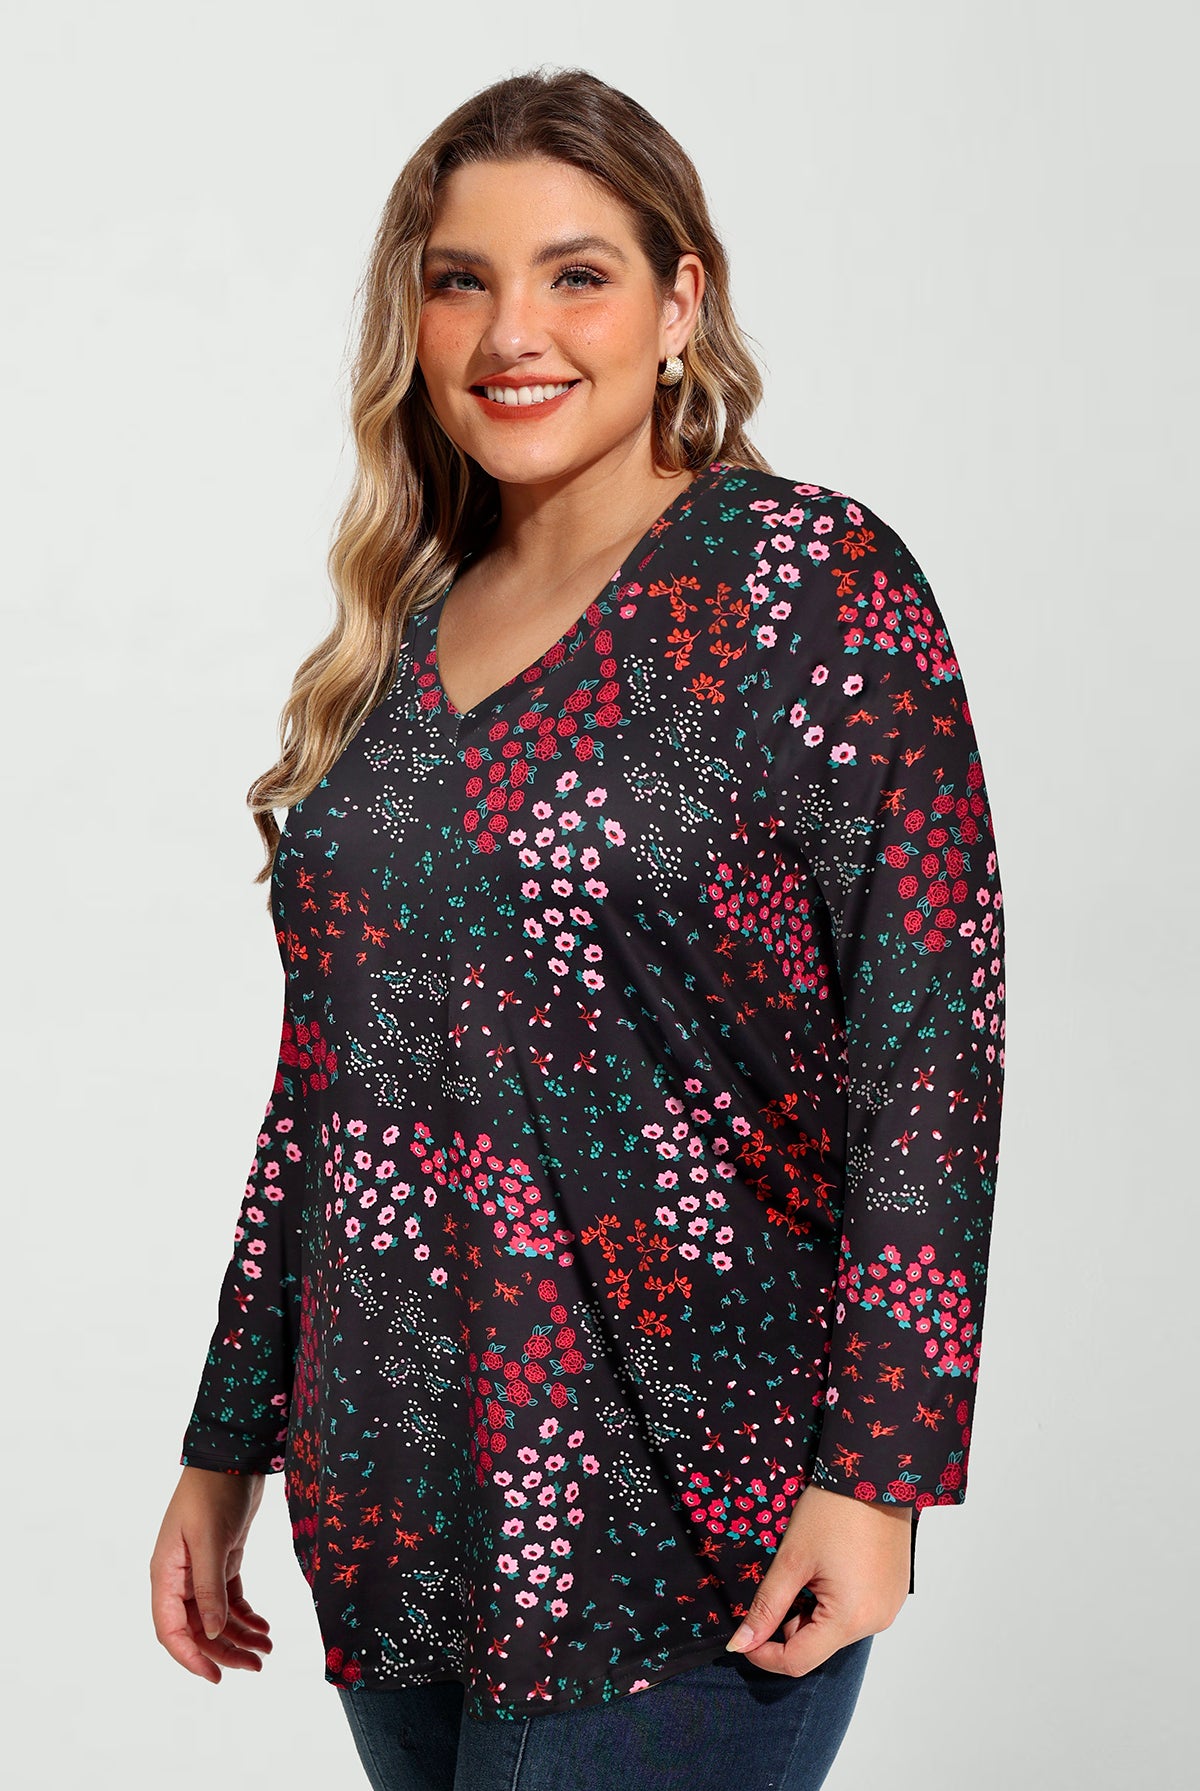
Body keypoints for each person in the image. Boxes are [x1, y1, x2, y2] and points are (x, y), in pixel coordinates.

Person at [150, 65, 1006, 1791]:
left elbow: (929, 1046)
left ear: (681, 302)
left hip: (689, 1516)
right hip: (396, 1497)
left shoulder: (806, 584)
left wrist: (882, 1473)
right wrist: (224, 1444)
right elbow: (325, 1095)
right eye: (460, 280)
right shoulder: (403, 636)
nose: (511, 333)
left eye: (577, 275)